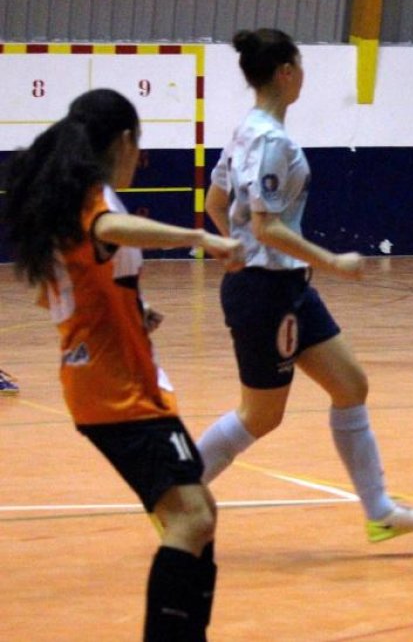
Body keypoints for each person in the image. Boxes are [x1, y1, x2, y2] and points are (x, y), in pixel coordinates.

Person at [0, 88, 244, 640]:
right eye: (141, 146)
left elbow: (64, 285)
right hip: (116, 390)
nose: (142, 158)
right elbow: (106, 232)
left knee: (198, 511)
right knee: (191, 518)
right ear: (126, 141)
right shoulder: (94, 199)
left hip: (108, 381)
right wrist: (199, 237)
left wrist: (134, 307)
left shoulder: (69, 197)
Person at [196, 28, 413, 542]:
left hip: (287, 288)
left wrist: (232, 244)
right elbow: (266, 227)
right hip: (265, 292)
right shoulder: (270, 141)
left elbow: (215, 205)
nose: (303, 75)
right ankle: (175, 488)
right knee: (261, 416)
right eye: (300, 66)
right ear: (286, 73)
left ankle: (379, 511)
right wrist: (331, 261)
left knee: (350, 384)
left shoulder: (246, 131)